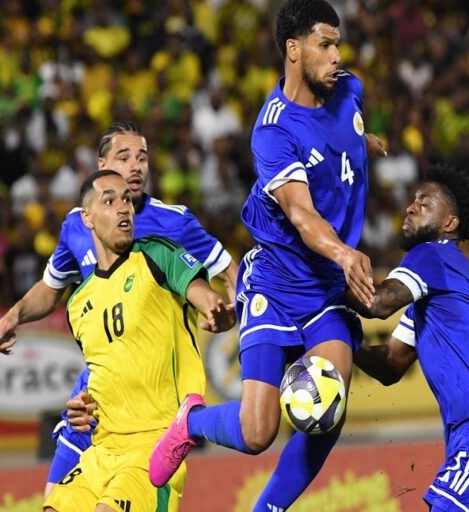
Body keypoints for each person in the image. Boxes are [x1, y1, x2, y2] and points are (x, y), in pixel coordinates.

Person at [148, 2, 376, 510]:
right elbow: (301, 214)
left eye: (338, 44)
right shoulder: (273, 131)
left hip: (326, 291)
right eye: (325, 45)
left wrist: (368, 140)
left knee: (328, 408)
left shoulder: (350, 91)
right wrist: (345, 254)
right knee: (257, 433)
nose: (337, 56)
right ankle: (191, 422)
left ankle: (268, 507)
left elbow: (347, 132)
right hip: (275, 282)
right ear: (293, 50)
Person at [0, 121, 239, 499]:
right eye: (124, 157)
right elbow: (51, 288)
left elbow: (230, 276)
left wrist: (228, 313)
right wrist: (13, 316)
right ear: (101, 165)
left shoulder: (174, 222)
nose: (135, 166)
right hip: (96, 395)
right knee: (54, 499)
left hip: (150, 400)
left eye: (142, 158)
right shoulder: (78, 223)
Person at [349, 163, 469, 511]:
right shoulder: (434, 292)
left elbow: (377, 304)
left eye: (425, 202)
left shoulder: (433, 254)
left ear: (449, 223)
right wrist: (346, 341)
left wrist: (316, 284)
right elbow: (391, 364)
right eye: (413, 200)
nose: (410, 207)